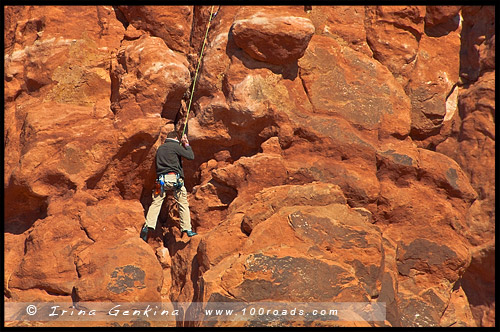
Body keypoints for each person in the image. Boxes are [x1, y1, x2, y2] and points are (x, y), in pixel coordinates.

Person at [141, 131, 197, 241]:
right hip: (174, 179)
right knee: (183, 203)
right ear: (176, 138)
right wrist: (186, 144)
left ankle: (148, 225)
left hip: (161, 181)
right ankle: (187, 229)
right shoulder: (175, 146)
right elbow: (190, 156)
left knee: (156, 203)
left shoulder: (160, 149)